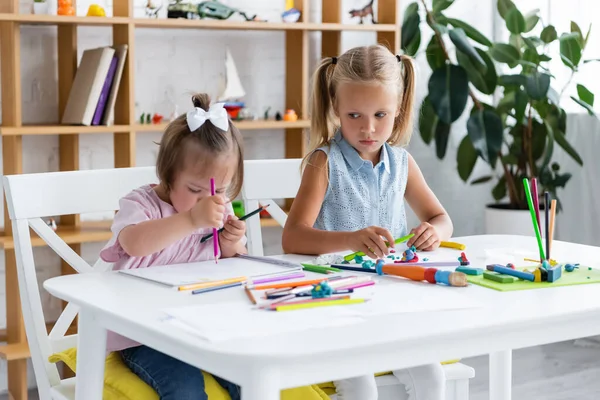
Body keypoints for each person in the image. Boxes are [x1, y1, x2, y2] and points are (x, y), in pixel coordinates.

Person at [282, 44, 453, 400]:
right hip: (334, 305)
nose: (369, 128)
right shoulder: (323, 163)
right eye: (355, 115)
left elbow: (441, 219)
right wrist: (350, 239)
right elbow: (292, 238)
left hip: (391, 305)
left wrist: (433, 232)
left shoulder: (402, 164)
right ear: (335, 110)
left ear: (399, 109)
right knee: (361, 388)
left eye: (381, 115)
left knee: (432, 378)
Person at [99, 93, 246, 400]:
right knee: (184, 389)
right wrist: (191, 220)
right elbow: (135, 244)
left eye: (220, 190)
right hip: (143, 334)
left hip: (203, 324)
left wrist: (233, 242)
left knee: (248, 372)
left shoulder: (219, 206)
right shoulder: (141, 205)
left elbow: (231, 257)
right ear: (167, 174)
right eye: (195, 189)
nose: (210, 199)